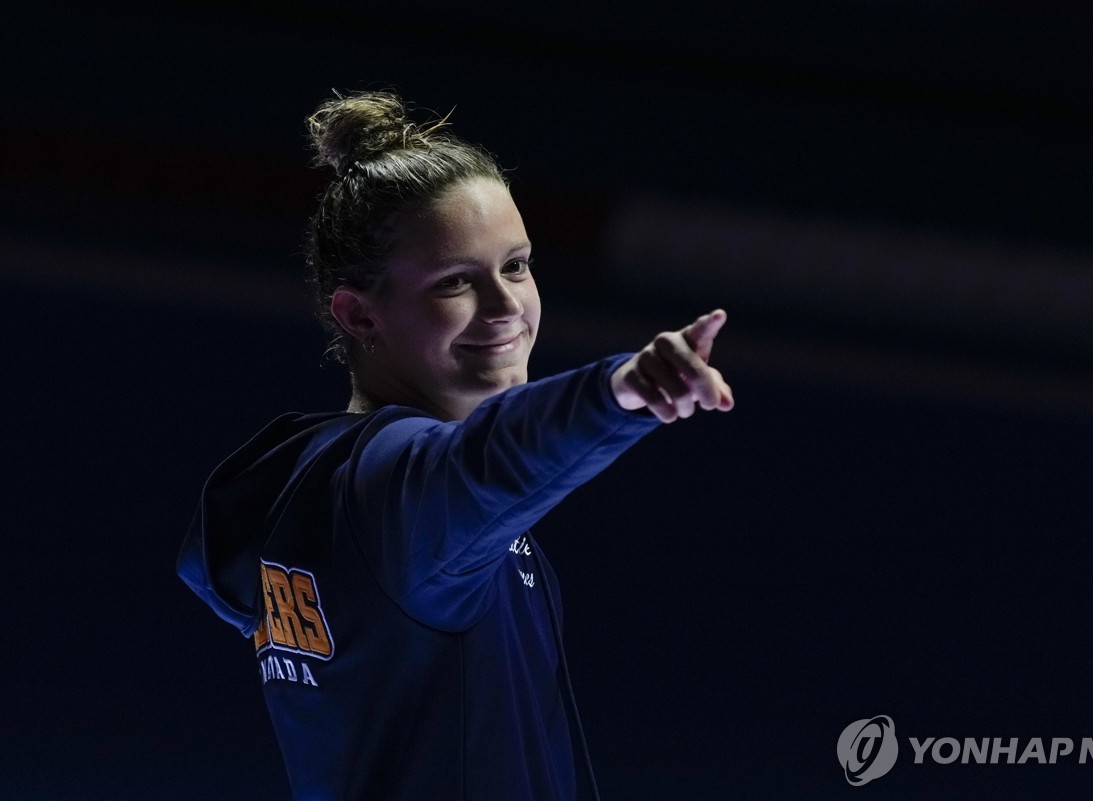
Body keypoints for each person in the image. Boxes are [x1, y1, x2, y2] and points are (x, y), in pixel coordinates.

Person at [178, 90, 733, 801]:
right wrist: (618, 392)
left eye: (517, 266)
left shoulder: (315, 492)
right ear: (359, 312)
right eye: (455, 283)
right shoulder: (391, 489)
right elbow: (487, 465)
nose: (506, 309)